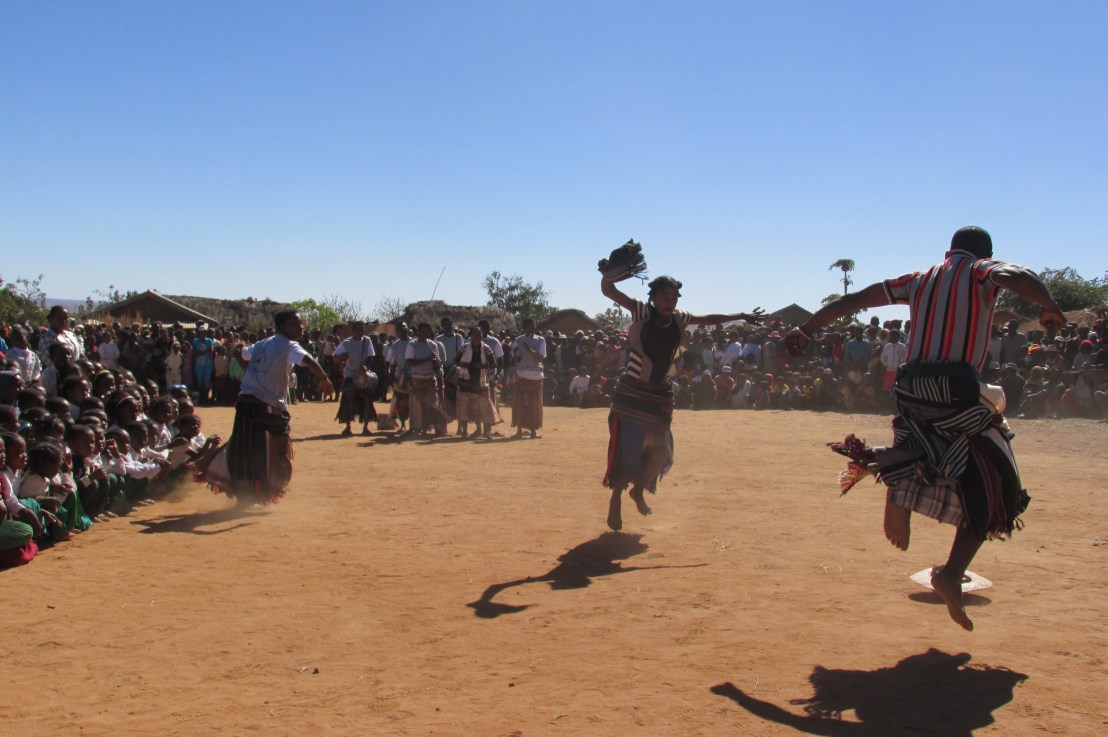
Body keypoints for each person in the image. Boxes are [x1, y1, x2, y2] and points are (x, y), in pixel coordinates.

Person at [784, 226, 1065, 630]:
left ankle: (890, 470)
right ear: (985, 254)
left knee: (936, 445)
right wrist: (1049, 304)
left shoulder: (917, 279)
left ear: (947, 251)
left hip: (909, 387)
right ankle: (950, 570)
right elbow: (1017, 277)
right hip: (954, 387)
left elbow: (852, 300)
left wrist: (806, 330)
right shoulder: (982, 271)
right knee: (998, 475)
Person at [600, 271, 763, 532]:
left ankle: (638, 489)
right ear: (652, 297)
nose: (669, 300)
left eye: (674, 296)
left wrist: (741, 315)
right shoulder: (642, 312)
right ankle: (616, 497)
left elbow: (710, 319)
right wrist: (610, 274)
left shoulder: (681, 319)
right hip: (631, 393)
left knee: (662, 451)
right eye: (664, 296)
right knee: (625, 450)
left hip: (659, 396)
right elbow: (609, 290)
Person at [194, 311, 333, 505]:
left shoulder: (263, 343)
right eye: (295, 323)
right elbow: (308, 361)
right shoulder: (289, 346)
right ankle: (258, 493)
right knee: (264, 452)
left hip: (245, 403)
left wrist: (251, 373)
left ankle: (245, 495)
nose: (301, 326)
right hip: (265, 406)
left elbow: (241, 354)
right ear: (283, 326)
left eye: (300, 323)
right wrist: (324, 378)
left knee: (244, 449)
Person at [333, 320, 379, 436]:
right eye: (358, 330)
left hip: (364, 376)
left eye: (362, 329)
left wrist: (365, 366)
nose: (360, 332)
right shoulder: (346, 343)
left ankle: (365, 428)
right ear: (353, 331)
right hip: (350, 375)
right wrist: (342, 356)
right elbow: (335, 357)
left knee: (367, 401)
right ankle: (347, 427)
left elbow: (371, 357)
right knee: (348, 402)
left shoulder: (367, 341)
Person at [510, 318, 547, 439]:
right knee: (520, 403)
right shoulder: (518, 340)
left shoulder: (541, 340)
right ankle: (520, 430)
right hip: (522, 374)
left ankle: (532, 431)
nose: (532, 328)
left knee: (534, 404)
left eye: (533, 326)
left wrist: (530, 351)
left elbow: (540, 358)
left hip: (535, 375)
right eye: (529, 326)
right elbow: (515, 358)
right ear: (524, 328)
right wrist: (516, 355)